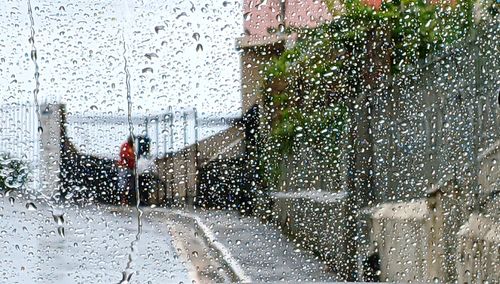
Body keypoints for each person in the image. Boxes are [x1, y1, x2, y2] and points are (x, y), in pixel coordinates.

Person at [118, 135, 135, 205]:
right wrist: (131, 159)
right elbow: (123, 155)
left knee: (130, 184)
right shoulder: (125, 146)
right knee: (123, 184)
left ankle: (128, 200)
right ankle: (122, 200)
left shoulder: (132, 147)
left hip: (130, 168)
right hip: (124, 167)